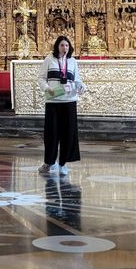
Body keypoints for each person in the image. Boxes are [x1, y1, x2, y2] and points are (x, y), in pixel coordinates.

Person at [37, 35, 88, 176]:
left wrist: (82, 86)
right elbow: (41, 78)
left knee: (68, 133)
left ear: (69, 47)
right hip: (53, 100)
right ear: (57, 46)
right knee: (51, 133)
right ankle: (49, 162)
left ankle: (62, 163)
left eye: (66, 45)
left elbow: (77, 80)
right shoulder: (49, 59)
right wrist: (47, 88)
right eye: (61, 45)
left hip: (69, 101)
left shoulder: (72, 61)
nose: (64, 48)